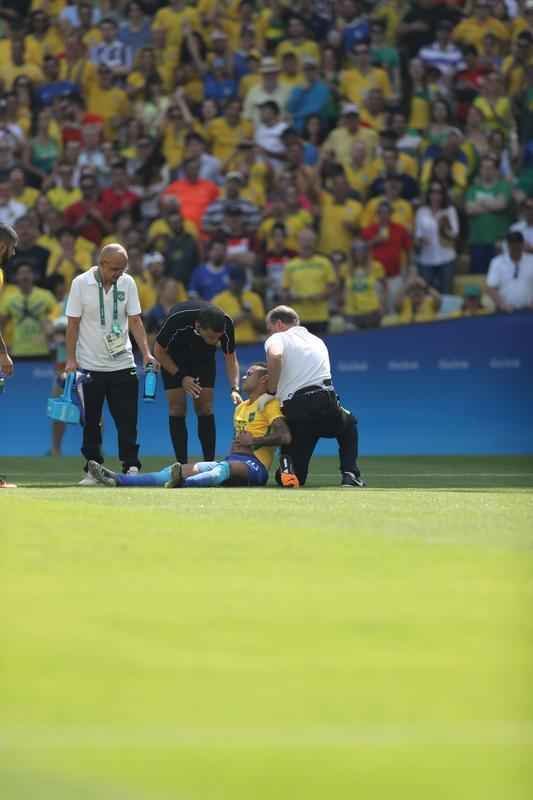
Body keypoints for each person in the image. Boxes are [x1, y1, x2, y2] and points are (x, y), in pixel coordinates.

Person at [86, 362, 291, 488]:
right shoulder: (241, 407)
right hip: (232, 461)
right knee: (173, 470)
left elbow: (285, 436)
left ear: (264, 379)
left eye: (250, 373)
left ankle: (183, 483)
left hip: (255, 467)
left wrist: (254, 441)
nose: (245, 376)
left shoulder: (269, 404)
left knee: (220, 471)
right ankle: (117, 479)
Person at [65, 243, 156, 485]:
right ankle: (93, 468)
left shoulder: (128, 282)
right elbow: (72, 324)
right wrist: (71, 359)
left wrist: (146, 354)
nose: (119, 273)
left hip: (123, 362)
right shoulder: (80, 283)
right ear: (102, 264)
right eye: (115, 269)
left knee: (127, 420)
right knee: (91, 422)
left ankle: (131, 467)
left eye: (122, 268)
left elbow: (135, 321)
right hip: (89, 365)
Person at [263, 305, 365, 488]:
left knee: (294, 478)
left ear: (278, 324)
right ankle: (350, 474)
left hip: (295, 408)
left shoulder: (278, 337)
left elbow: (275, 355)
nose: (269, 333)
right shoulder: (318, 341)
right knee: (349, 423)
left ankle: (288, 472)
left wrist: (271, 390)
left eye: (269, 329)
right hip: (325, 402)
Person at [153, 301, 241, 464]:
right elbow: (158, 351)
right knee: (177, 408)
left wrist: (234, 388)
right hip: (174, 356)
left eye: (218, 338)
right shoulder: (177, 319)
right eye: (211, 337)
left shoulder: (226, 323)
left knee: (205, 408)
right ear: (198, 326)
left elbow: (230, 357)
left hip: (203, 358)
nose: (215, 341)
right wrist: (181, 377)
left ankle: (209, 463)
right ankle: (181, 464)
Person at [486, 231, 533, 312]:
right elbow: (491, 287)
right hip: (505, 312)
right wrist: (502, 304)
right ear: (507, 245)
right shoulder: (497, 262)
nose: (515, 246)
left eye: (517, 243)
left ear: (522, 244)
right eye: (512, 243)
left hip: (529, 311)